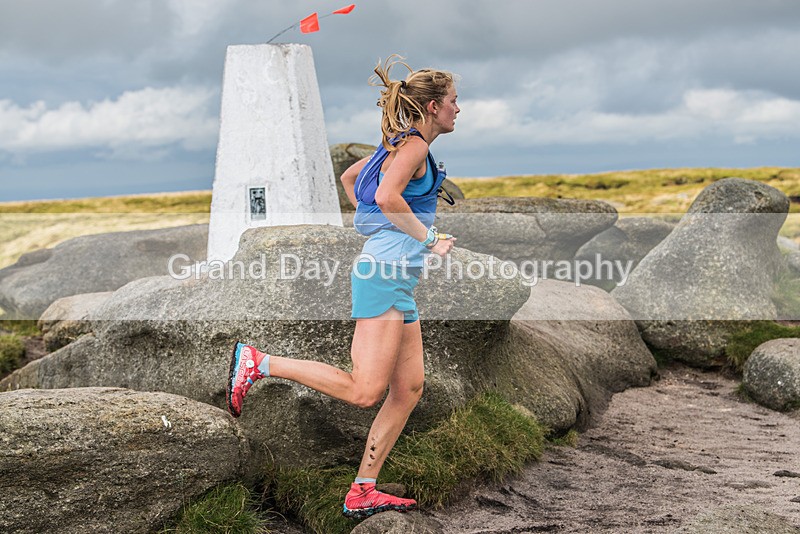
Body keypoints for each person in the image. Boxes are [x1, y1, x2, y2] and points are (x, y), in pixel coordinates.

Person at [226, 54, 459, 519]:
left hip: (397, 281)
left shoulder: (400, 145)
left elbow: (352, 179)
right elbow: (387, 195)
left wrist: (375, 225)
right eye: (454, 101)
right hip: (384, 277)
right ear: (433, 106)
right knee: (364, 391)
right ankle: (258, 362)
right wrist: (428, 237)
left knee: (409, 388)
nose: (459, 109)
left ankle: (363, 489)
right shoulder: (411, 147)